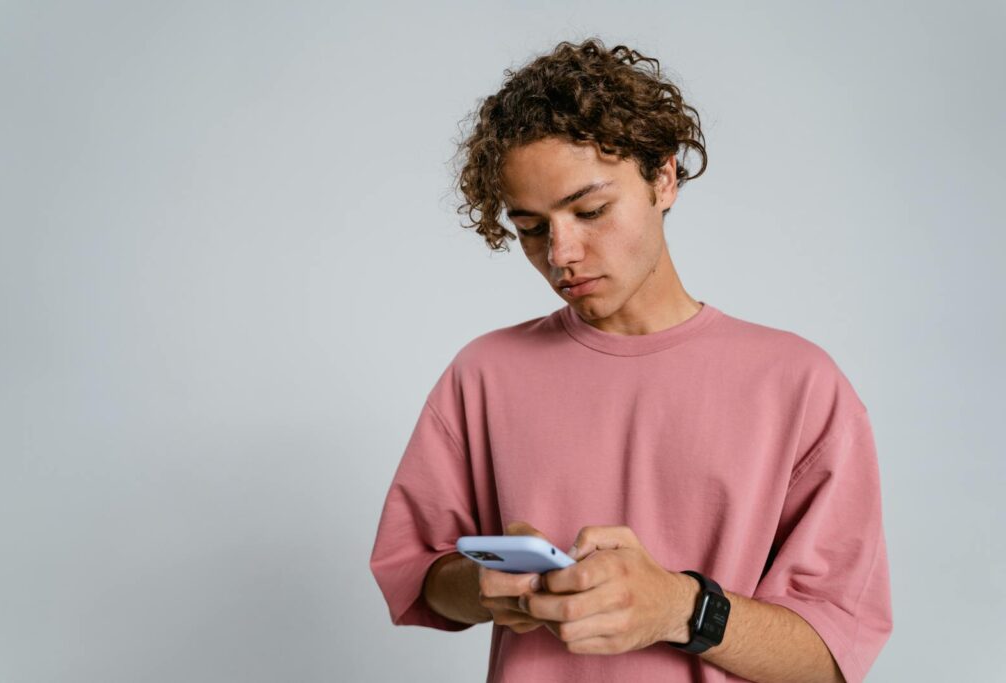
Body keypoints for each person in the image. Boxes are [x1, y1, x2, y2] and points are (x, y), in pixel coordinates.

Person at [368, 37, 892, 683]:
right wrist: (487, 586)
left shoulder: (799, 385)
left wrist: (679, 607)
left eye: (590, 210)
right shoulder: (483, 373)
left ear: (663, 178)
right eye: (531, 227)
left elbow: (834, 654)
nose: (561, 253)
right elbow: (415, 571)